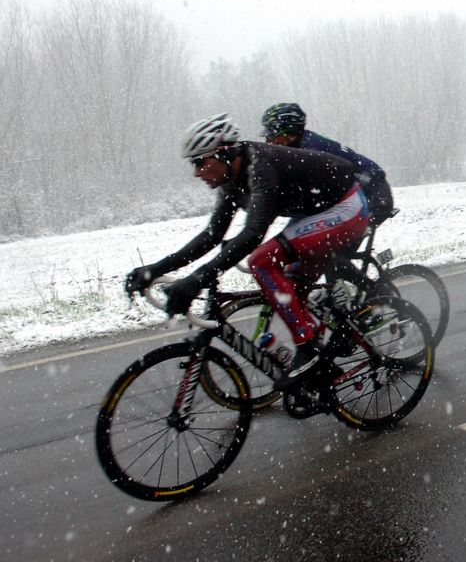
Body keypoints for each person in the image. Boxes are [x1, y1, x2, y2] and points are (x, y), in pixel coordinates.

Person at [123, 113, 371, 390]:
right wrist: (154, 270)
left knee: (262, 261)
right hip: (320, 212)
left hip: (348, 207)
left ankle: (309, 349)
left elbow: (253, 234)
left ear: (225, 153)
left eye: (200, 162)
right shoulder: (232, 180)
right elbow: (211, 236)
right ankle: (326, 358)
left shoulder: (261, 167)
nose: (196, 172)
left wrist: (198, 279)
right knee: (289, 286)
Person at [261, 102, 394, 227]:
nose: (268, 141)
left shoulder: (309, 150)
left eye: (271, 135)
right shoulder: (304, 143)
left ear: (289, 134)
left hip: (373, 196)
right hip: (368, 192)